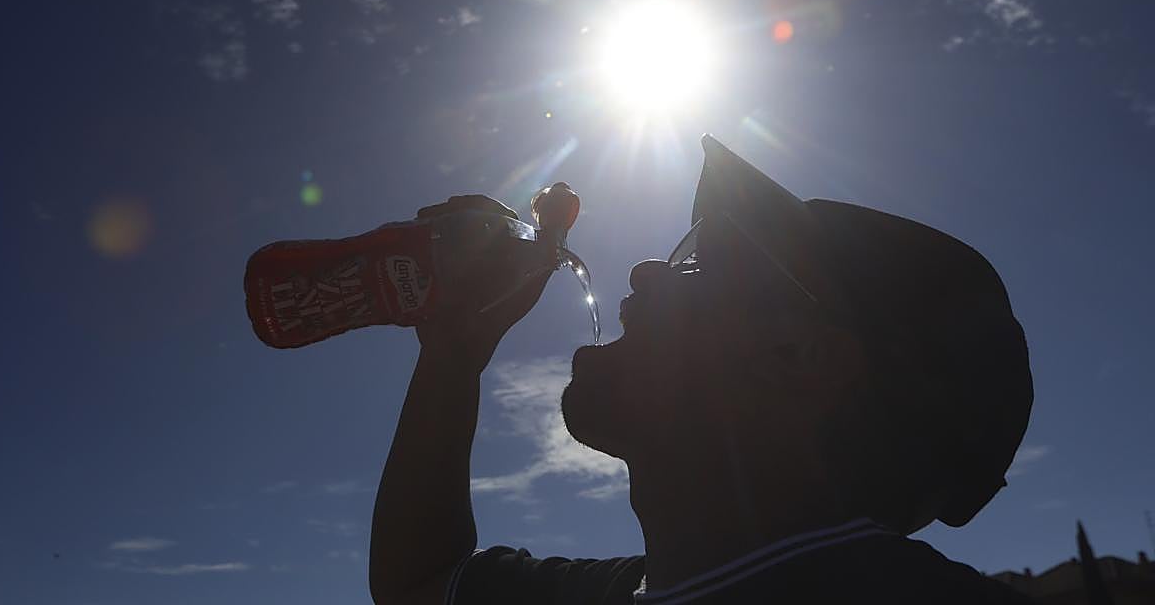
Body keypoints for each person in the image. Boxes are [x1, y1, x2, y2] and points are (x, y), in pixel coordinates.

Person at [368, 134, 1035, 604]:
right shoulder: (635, 588)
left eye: (704, 259)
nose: (646, 270)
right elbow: (417, 581)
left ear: (803, 357)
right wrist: (454, 352)